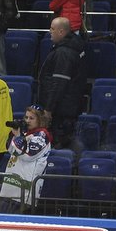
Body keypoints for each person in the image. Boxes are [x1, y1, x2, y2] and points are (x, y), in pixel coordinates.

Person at [38, 17, 86, 149]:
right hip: (67, 107)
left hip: (62, 110)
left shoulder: (64, 53)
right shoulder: (69, 47)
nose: (49, 32)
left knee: (61, 144)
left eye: (52, 29)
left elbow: (59, 83)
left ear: (61, 31)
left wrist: (48, 109)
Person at [0, 105, 53, 208]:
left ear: (40, 120)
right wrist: (15, 134)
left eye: (31, 118)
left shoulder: (42, 136)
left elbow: (28, 154)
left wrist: (19, 137)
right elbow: (10, 149)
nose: (28, 120)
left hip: (27, 186)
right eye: (26, 117)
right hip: (13, 182)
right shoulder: (26, 132)